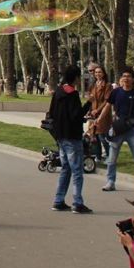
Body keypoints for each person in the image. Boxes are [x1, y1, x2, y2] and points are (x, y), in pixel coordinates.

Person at [49, 65, 94, 213]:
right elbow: (76, 115)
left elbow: (52, 113)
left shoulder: (59, 92)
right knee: (77, 170)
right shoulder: (72, 94)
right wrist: (88, 103)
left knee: (66, 169)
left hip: (60, 135)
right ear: (75, 78)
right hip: (72, 136)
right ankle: (77, 202)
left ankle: (59, 200)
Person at [103, 67, 134, 193]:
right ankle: (110, 181)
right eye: (124, 76)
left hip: (132, 129)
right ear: (121, 79)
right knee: (112, 157)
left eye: (128, 76)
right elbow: (108, 106)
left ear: (133, 79)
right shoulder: (116, 92)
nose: (126, 78)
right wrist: (99, 119)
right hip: (118, 128)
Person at [86, 65, 113, 162]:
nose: (97, 74)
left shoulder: (107, 85)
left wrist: (98, 110)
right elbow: (90, 99)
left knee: (102, 136)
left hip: (103, 114)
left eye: (100, 72)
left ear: (104, 73)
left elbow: (107, 101)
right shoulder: (93, 85)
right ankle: (98, 156)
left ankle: (110, 156)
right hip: (93, 114)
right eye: (96, 72)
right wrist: (89, 111)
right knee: (94, 136)